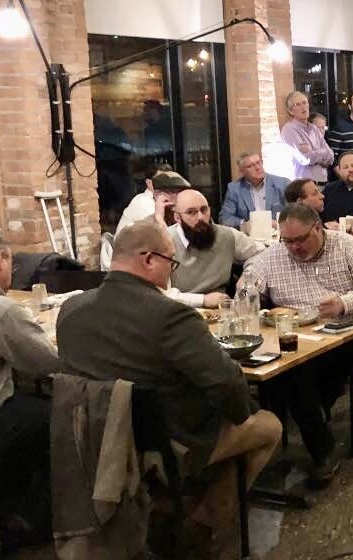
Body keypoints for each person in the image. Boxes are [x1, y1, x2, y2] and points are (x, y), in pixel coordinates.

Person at [58, 221, 282, 553]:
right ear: (149, 259)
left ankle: (166, 508)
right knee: (268, 426)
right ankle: (202, 525)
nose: (172, 273)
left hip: (93, 442)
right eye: (171, 263)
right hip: (165, 444)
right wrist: (243, 411)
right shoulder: (171, 316)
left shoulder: (71, 310)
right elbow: (225, 383)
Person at [242, 204, 353, 464]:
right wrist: (249, 296)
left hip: (352, 330)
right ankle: (322, 452)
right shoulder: (274, 256)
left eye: (300, 239)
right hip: (300, 338)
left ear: (317, 227)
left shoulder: (346, 245)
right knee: (291, 378)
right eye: (287, 240)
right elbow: (247, 290)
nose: (294, 247)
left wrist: (343, 303)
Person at [0, 231, 60, 550]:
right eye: (11, 263)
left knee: (26, 410)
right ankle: (32, 519)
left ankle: (7, 500)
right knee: (60, 418)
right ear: (0, 259)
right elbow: (45, 363)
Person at [167, 189, 264, 308]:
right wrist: (203, 300)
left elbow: (261, 254)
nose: (200, 217)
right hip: (180, 311)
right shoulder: (164, 241)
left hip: (222, 310)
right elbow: (161, 293)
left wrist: (247, 277)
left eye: (204, 210)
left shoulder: (227, 236)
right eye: (191, 212)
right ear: (177, 217)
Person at [220, 152, 290, 229]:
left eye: (258, 163)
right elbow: (225, 218)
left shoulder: (283, 184)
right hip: (250, 237)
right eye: (250, 166)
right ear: (242, 172)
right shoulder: (234, 188)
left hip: (278, 234)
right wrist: (245, 224)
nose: (257, 168)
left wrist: (279, 224)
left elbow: (295, 212)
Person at [115, 169, 190, 236]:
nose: (178, 196)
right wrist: (159, 218)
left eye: (180, 192)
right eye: (173, 192)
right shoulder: (143, 203)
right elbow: (166, 244)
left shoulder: (172, 211)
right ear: (158, 195)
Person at [280, 91, 334, 182]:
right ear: (290, 110)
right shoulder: (289, 129)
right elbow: (305, 159)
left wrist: (314, 153)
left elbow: (331, 157)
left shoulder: (314, 129)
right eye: (298, 104)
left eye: (305, 102)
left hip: (323, 183)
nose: (303, 107)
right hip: (303, 186)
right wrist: (322, 153)